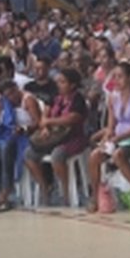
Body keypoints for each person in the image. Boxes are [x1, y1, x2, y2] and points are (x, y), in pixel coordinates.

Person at [87, 62, 130, 213]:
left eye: (120, 76)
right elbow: (111, 125)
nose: (117, 80)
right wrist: (106, 139)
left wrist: (118, 139)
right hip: (118, 138)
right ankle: (95, 196)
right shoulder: (113, 97)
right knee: (94, 156)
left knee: (118, 155)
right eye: (115, 76)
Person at [23, 68, 89, 207]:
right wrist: (45, 127)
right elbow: (43, 118)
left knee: (57, 155)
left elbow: (72, 118)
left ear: (72, 85)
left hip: (74, 137)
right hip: (53, 137)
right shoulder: (55, 98)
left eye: (63, 82)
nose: (59, 84)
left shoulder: (78, 99)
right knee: (28, 154)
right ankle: (44, 188)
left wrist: (50, 122)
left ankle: (65, 192)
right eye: (58, 81)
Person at [0, 80, 40, 212]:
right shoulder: (3, 102)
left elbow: (38, 122)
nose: (11, 98)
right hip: (9, 134)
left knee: (6, 149)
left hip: (27, 135)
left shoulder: (28, 99)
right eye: (7, 96)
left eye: (12, 93)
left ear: (16, 89)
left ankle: (7, 191)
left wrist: (23, 128)